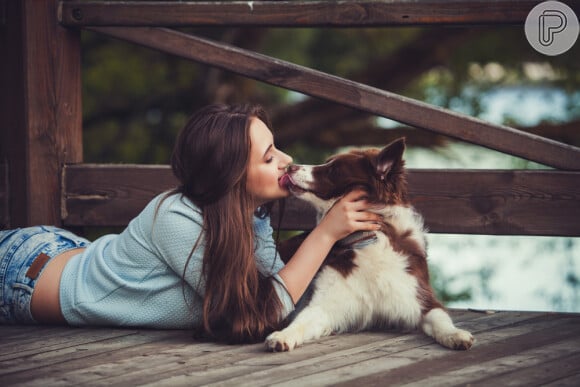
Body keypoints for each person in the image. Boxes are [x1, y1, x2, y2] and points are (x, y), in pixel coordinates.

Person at [0, 103, 382, 343]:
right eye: (268, 158)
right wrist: (327, 232)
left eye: (276, 146)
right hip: (23, 272)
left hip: (65, 249)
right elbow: (254, 317)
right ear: (230, 177)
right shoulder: (175, 218)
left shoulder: (251, 217)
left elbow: (279, 296)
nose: (286, 160)